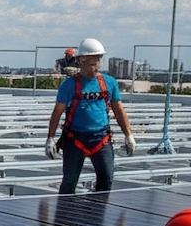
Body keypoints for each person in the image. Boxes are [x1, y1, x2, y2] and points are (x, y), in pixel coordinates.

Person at [45, 36, 135, 193]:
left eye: (98, 62)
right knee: (69, 182)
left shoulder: (109, 83)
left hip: (101, 139)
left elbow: (119, 110)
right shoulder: (69, 85)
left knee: (106, 180)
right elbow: (57, 112)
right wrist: (50, 139)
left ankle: (97, 214)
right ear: (81, 61)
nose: (96, 66)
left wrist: (129, 136)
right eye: (92, 63)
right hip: (75, 139)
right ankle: (64, 215)